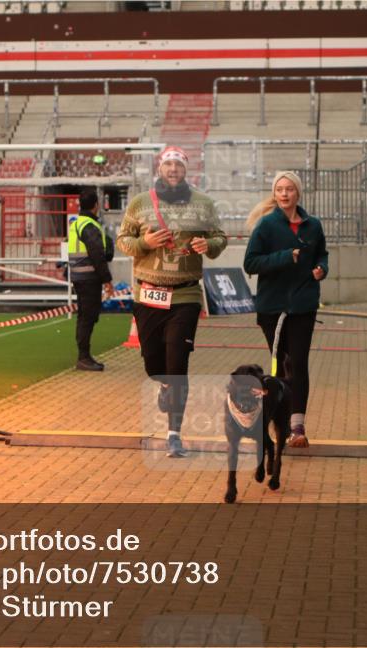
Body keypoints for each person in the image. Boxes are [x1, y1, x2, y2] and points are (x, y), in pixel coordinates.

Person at [117, 146, 227, 457]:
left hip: (186, 295)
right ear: (160, 168)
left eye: (178, 165)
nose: (173, 170)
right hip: (149, 294)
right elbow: (123, 241)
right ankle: (163, 385)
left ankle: (173, 433)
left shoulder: (203, 203)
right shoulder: (140, 203)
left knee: (178, 363)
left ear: (185, 170)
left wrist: (208, 244)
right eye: (168, 165)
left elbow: (220, 238)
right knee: (155, 365)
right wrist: (145, 242)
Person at [243, 171, 328, 448]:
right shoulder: (266, 226)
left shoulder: (313, 225)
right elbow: (251, 263)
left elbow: (321, 254)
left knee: (299, 363)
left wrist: (321, 270)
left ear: (297, 193)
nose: (284, 194)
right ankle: (277, 422)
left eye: (289, 189)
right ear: (274, 193)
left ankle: (297, 427)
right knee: (280, 365)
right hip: (272, 308)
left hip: (303, 305)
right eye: (279, 189)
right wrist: (284, 257)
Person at [67, 189, 114, 371]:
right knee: (88, 317)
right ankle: (84, 357)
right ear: (96, 205)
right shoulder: (89, 226)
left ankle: (84, 356)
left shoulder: (76, 223)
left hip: (79, 277)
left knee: (84, 317)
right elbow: (97, 255)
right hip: (89, 278)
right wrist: (107, 280)